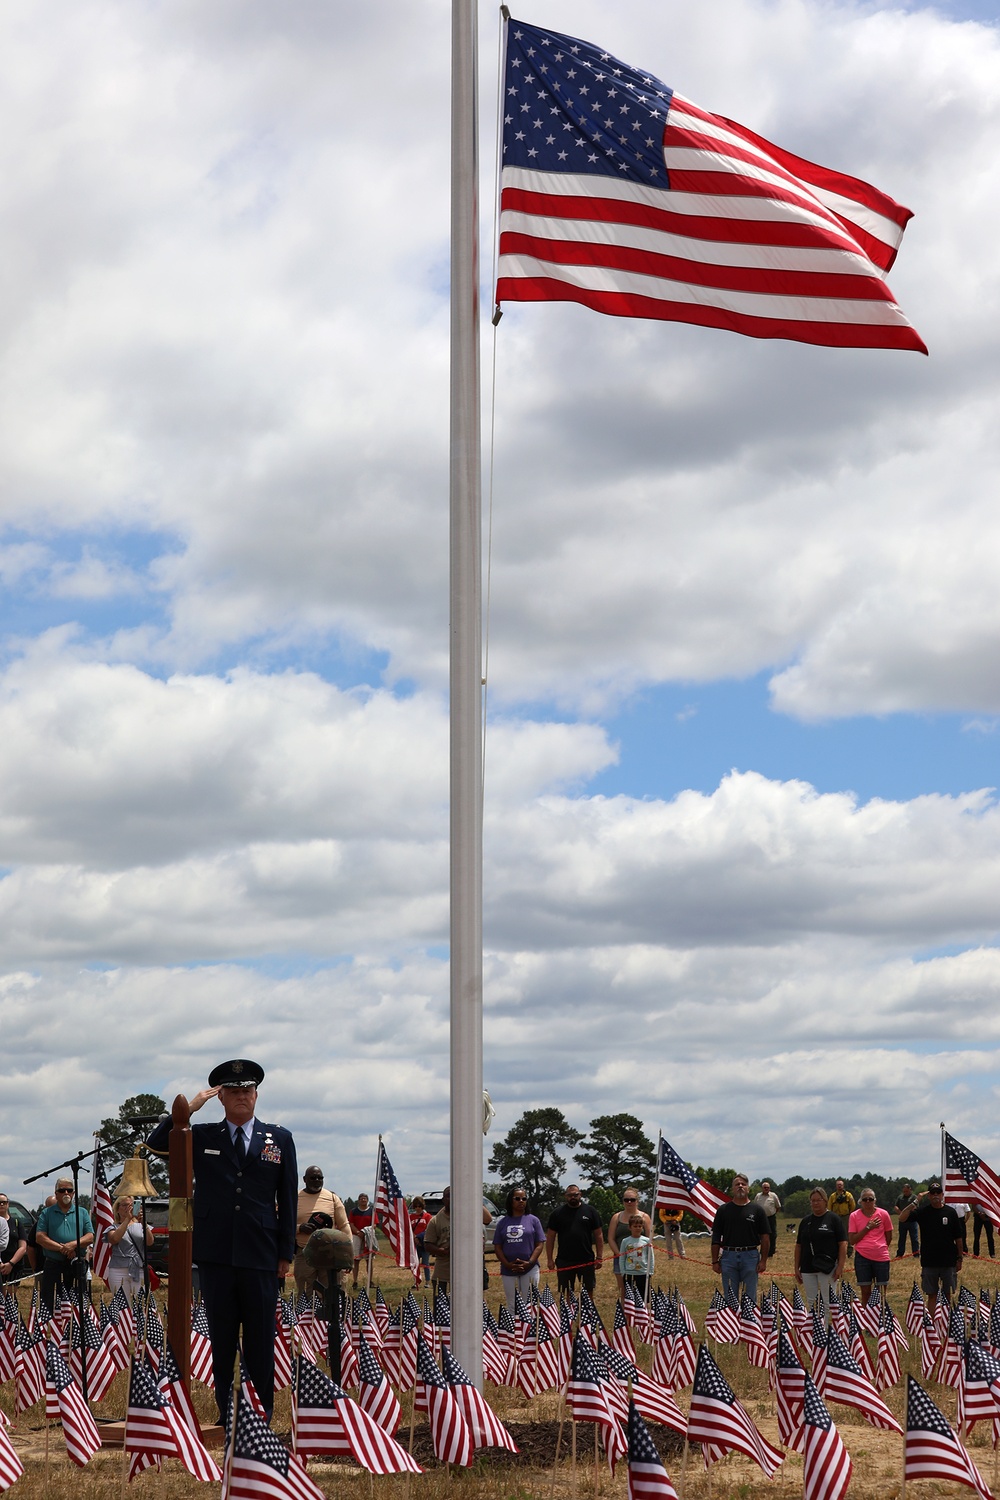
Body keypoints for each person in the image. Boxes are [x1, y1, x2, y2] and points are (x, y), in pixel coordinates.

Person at [146, 1058, 297, 1423]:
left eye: (248, 1090)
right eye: (234, 1092)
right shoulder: (204, 1136)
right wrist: (188, 1110)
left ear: (256, 1096)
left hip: (261, 1255)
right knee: (222, 1338)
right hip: (216, 1254)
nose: (242, 1096)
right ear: (222, 1097)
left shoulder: (279, 1138)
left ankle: (259, 1415)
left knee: (261, 1340)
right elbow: (156, 1145)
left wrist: (285, 1254)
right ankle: (225, 1413)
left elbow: (289, 1199)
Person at [898, 1180, 964, 1314]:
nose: (935, 1195)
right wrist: (916, 1201)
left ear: (942, 1195)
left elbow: (958, 1237)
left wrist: (960, 1258)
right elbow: (902, 1218)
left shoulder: (950, 1212)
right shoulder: (923, 1212)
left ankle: (946, 1322)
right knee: (932, 1295)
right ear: (929, 1196)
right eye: (932, 1193)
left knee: (947, 1295)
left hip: (948, 1261)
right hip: (929, 1261)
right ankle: (932, 1325)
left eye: (938, 1193)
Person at [35, 1179, 94, 1313]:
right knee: (50, 1301)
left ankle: (77, 1330)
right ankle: (51, 1331)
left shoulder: (82, 1212)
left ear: (74, 1193)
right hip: (53, 1265)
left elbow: (90, 1237)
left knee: (77, 1303)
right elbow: (40, 1238)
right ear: (56, 1193)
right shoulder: (47, 1213)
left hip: (76, 1265)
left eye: (69, 1190)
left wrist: (73, 1245)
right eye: (62, 1190)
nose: (66, 1193)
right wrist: (63, 1248)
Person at [711, 1173, 769, 1306]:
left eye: (743, 1184)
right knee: (730, 1298)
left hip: (751, 1256)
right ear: (732, 1189)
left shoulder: (757, 1210)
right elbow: (716, 1237)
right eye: (737, 1184)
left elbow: (765, 1237)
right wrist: (714, 1261)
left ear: (748, 1188)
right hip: (728, 1257)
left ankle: (749, 1326)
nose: (740, 1186)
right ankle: (732, 1326)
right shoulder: (723, 1210)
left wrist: (763, 1260)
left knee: (750, 1299)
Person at [422, 1187, 491, 1293]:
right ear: (443, 1200)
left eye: (456, 1196)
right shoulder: (435, 1221)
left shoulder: (470, 1215)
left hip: (469, 1270)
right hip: (444, 1271)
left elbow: (487, 1219)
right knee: (442, 1304)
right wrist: (442, 1251)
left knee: (475, 1303)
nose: (453, 1198)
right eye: (449, 1196)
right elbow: (428, 1244)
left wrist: (472, 1199)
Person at [794, 1187, 847, 1321]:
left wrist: (840, 1266)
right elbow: (799, 1245)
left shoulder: (833, 1219)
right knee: (812, 1302)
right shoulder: (805, 1221)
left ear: (825, 1201)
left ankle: (828, 1331)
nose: (816, 1203)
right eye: (813, 1201)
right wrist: (796, 1268)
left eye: (819, 1200)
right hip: (807, 1267)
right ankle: (815, 1330)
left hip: (827, 1268)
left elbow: (843, 1244)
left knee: (828, 1301)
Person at [294, 1166, 348, 1298]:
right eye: (313, 1178)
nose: (317, 1180)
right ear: (305, 1179)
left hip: (330, 1253)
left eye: (320, 1178)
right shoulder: (294, 1198)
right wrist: (300, 1228)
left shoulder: (332, 1198)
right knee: (305, 1295)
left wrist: (347, 1254)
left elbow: (344, 1225)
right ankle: (307, 1318)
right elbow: (283, 1224)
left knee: (331, 1293)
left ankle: (330, 1318)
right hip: (304, 1252)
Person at [546, 1184, 604, 1297]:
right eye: (570, 1195)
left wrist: (599, 1257)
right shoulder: (557, 1214)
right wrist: (549, 1259)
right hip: (564, 1260)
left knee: (588, 1291)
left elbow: (599, 1235)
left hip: (586, 1259)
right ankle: (568, 1314)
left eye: (575, 1195)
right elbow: (550, 1237)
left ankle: (588, 1313)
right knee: (566, 1292)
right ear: (565, 1196)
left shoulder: (590, 1211)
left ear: (580, 1195)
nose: (573, 1197)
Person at [493, 1188, 546, 1310]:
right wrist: (507, 1264)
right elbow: (498, 1247)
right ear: (510, 1201)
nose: (521, 1201)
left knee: (529, 1303)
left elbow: (539, 1244)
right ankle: (513, 1329)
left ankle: (529, 1329)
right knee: (512, 1304)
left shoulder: (533, 1220)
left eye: (524, 1198)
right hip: (508, 1269)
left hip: (530, 1268)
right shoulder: (502, 1222)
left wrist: (530, 1262)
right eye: (517, 1198)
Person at [848, 1190, 892, 1305]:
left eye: (870, 1199)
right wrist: (868, 1227)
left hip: (881, 1257)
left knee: (881, 1292)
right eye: (865, 1199)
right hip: (862, 1257)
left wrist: (879, 1248)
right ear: (860, 1202)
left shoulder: (884, 1214)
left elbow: (888, 1236)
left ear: (875, 1200)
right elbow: (852, 1240)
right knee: (866, 1292)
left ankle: (880, 1317)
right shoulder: (854, 1216)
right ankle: (867, 1319)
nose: (868, 1202)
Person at [106, 1196, 152, 1299]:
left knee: (141, 1303)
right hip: (118, 1269)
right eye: (125, 1205)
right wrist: (127, 1219)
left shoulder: (140, 1226)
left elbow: (150, 1242)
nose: (129, 1208)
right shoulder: (113, 1227)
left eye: (131, 1205)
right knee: (121, 1305)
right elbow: (114, 1239)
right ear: (118, 1209)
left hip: (138, 1268)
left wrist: (143, 1223)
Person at [609, 1189, 653, 1293]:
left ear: (637, 1201)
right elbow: (611, 1238)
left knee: (641, 1289)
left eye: (632, 1200)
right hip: (620, 1258)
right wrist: (620, 1254)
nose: (629, 1202)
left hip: (640, 1259)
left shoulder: (645, 1217)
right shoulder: (616, 1217)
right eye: (626, 1200)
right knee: (624, 1290)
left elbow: (649, 1239)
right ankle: (625, 1309)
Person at [618, 1213, 654, 1304]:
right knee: (630, 1298)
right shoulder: (625, 1241)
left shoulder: (646, 1241)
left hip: (643, 1273)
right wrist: (623, 1271)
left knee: (643, 1297)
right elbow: (622, 1257)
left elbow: (651, 1256)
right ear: (630, 1227)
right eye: (635, 1226)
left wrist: (650, 1271)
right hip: (629, 1273)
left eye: (640, 1226)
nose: (638, 1228)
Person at [349, 1194, 377, 1290]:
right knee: (356, 1260)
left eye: (365, 1199)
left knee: (369, 1260)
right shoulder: (353, 1211)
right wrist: (358, 1232)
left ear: (367, 1200)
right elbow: (351, 1224)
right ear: (359, 1200)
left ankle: (370, 1281)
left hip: (368, 1237)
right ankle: (355, 1281)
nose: (363, 1200)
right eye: (361, 1199)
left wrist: (365, 1232)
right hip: (356, 1237)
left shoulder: (372, 1211)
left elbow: (374, 1224)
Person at [0, 1195, 27, 1283]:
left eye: (3, 1202)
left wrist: (11, 1264)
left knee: (11, 1296)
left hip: (14, 1266)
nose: (1, 1205)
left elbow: (22, 1247)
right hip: (0, 1264)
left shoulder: (16, 1223)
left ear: (8, 1204)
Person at [753, 1182, 782, 1260]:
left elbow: (778, 1206)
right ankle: (760, 1252)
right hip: (760, 1219)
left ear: (769, 1188)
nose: (766, 1189)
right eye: (765, 1187)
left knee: (772, 1235)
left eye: (768, 1187)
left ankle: (770, 1252)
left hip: (770, 1218)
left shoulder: (773, 1195)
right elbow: (754, 1207)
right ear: (762, 1188)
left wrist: (772, 1213)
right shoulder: (758, 1196)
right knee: (759, 1235)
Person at [828, 1180, 856, 1257]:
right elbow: (829, 1206)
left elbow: (853, 1205)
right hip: (835, 1217)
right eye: (838, 1185)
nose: (839, 1186)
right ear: (836, 1186)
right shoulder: (832, 1196)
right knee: (835, 1233)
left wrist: (849, 1214)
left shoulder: (848, 1195)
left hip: (846, 1216)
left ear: (843, 1186)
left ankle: (849, 1252)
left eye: (841, 1185)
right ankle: (837, 1251)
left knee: (848, 1233)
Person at [409, 1196, 433, 1287]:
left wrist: (419, 1237)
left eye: (419, 1206)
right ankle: (416, 1281)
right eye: (416, 1206)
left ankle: (427, 1282)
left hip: (424, 1242)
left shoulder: (427, 1216)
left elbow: (429, 1229)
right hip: (414, 1243)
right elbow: (409, 1229)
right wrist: (414, 1238)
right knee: (415, 1263)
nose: (418, 1208)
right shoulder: (411, 1217)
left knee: (425, 1263)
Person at [895, 1184, 919, 1258]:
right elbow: (896, 1206)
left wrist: (907, 1213)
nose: (905, 1192)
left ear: (910, 1189)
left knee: (914, 1238)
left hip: (912, 1220)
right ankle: (900, 1253)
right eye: (904, 1191)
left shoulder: (914, 1197)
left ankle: (916, 1253)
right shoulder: (900, 1197)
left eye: (906, 1191)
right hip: (903, 1221)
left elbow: (915, 1207)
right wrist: (900, 1213)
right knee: (902, 1238)